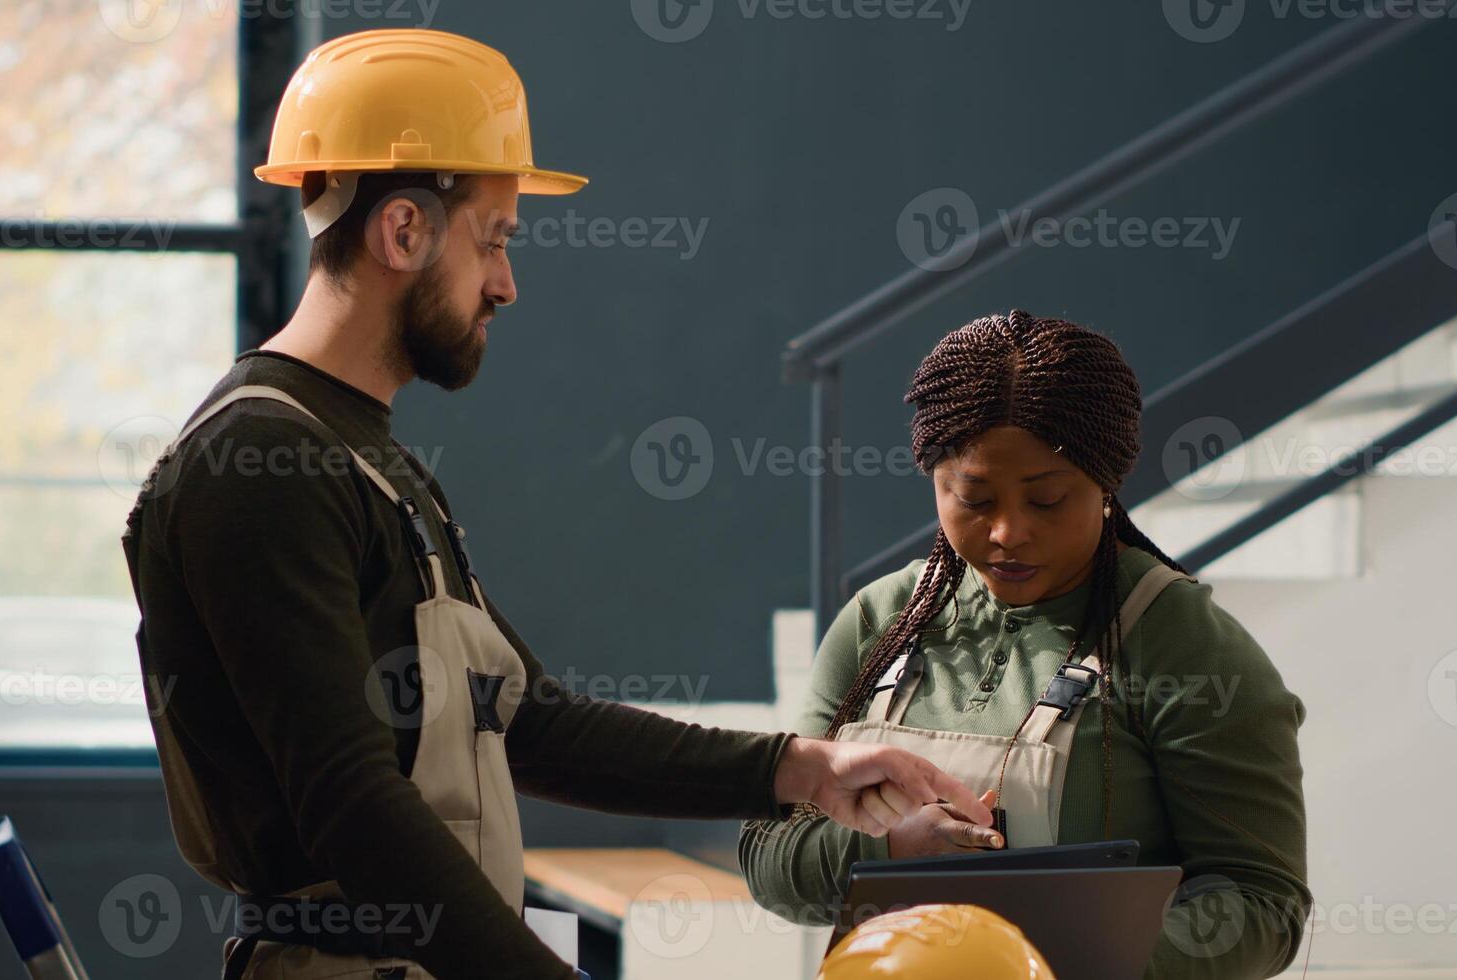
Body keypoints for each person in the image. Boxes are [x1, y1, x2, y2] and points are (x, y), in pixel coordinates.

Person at [119, 28, 987, 980]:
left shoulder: (366, 461)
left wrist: (801, 771)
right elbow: (350, 806)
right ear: (403, 231)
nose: (506, 282)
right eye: (492, 240)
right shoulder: (257, 467)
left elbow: (534, 723)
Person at [739, 311, 1312, 979]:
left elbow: (1260, 904)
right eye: (972, 498)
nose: (1007, 532)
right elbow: (768, 856)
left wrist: (1065, 962)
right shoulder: (880, 622)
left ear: (1105, 484)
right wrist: (892, 851)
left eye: (1045, 501)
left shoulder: (1181, 645)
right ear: (933, 480)